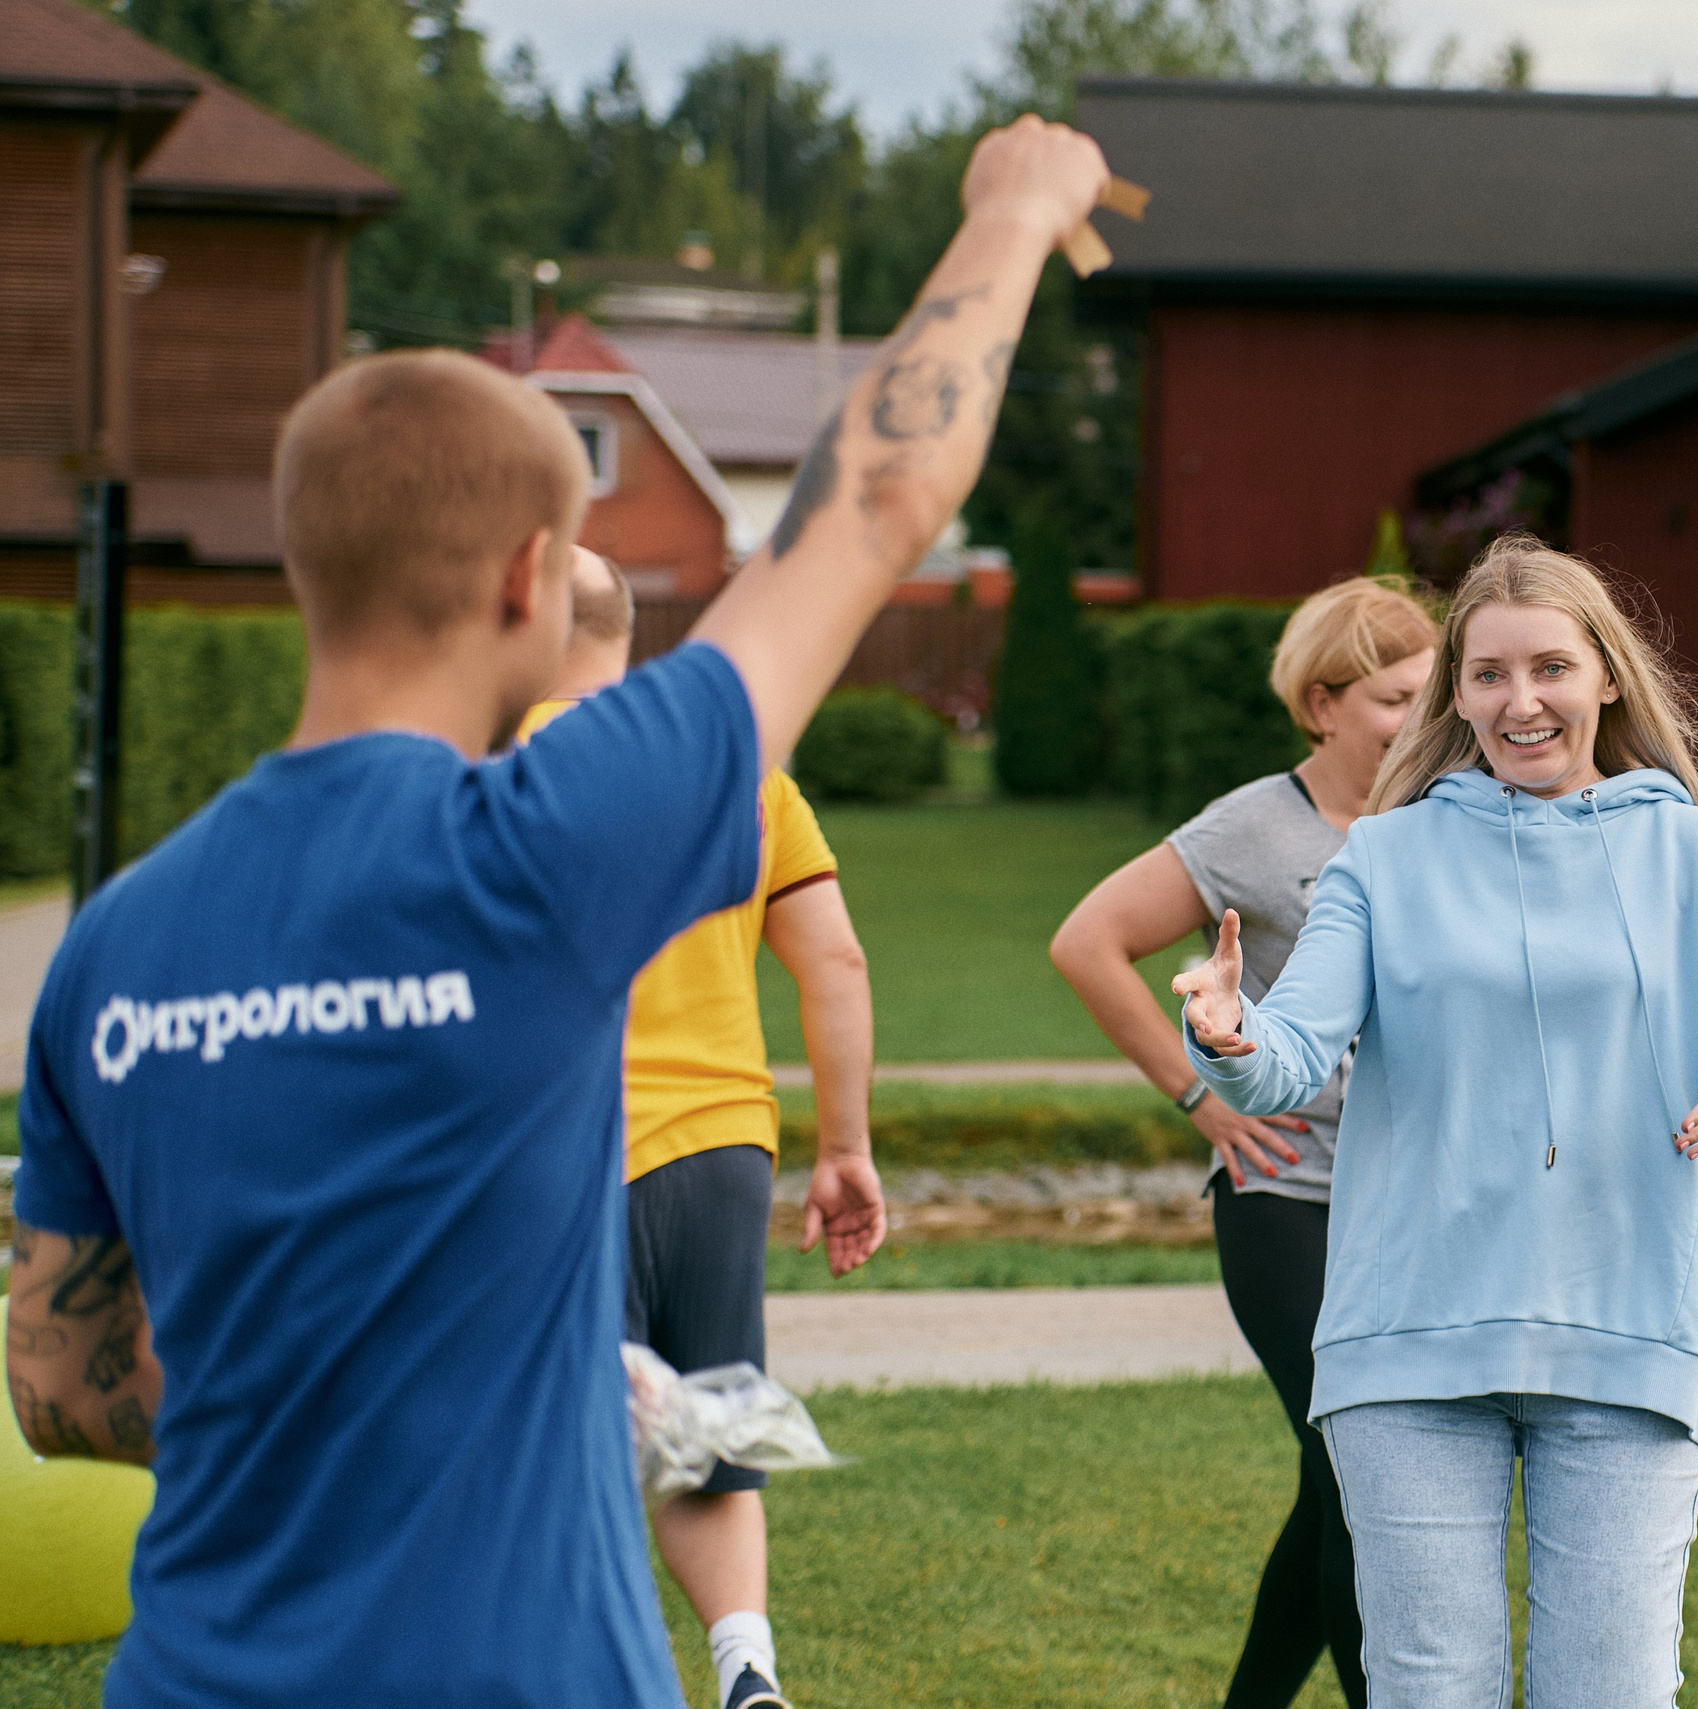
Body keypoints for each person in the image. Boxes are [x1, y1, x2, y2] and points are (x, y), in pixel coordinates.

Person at [5, 116, 1109, 1708]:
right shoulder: (546, 849)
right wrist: (1013, 212)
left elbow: (58, 1389)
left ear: (305, 565)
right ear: (535, 577)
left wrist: (331, 1391)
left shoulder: (110, 943)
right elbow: (876, 503)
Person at [1172, 536, 1698, 1707]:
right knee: (1430, 1689)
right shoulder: (1381, 856)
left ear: (1607, 677)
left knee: (1613, 1689)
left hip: (1627, 1334)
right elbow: (1285, 1059)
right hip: (1407, 1343)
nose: (1519, 700)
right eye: (1487, 674)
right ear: (1456, 693)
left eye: (1549, 667)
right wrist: (1226, 1034)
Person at [1051, 576, 1437, 1709]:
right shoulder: (1251, 829)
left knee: (1345, 1477)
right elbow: (1088, 942)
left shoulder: (1447, 817)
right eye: (1392, 699)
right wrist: (1200, 1094)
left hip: (1410, 1198)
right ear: (1321, 703)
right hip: (1286, 1193)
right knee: (1351, 1462)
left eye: (1430, 697)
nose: (1419, 722)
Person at [521, 548, 884, 1709]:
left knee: (559, 1447)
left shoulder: (480, 762)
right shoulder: (739, 770)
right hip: (724, 1145)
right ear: (627, 628)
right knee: (707, 1430)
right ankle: (747, 1667)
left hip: (561, 1155)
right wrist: (844, 1147)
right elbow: (834, 955)